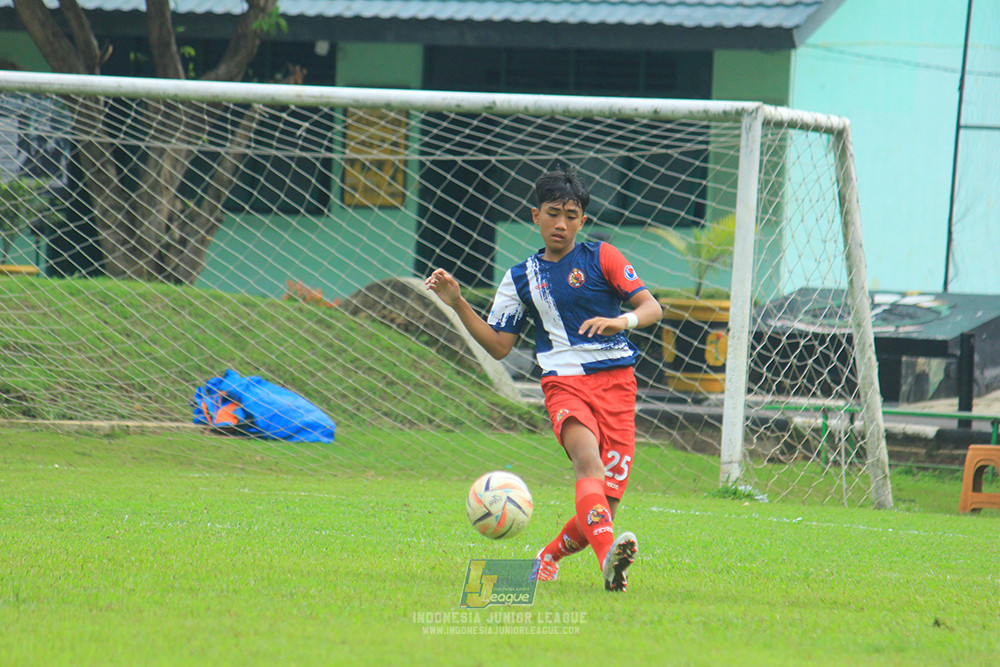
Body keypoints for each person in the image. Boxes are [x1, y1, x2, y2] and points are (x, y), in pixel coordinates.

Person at [425, 165, 662, 592]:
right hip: (565, 384)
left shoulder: (603, 257)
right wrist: (458, 304)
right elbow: (499, 346)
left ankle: (548, 556)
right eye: (553, 213)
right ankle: (609, 558)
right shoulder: (521, 278)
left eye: (572, 215)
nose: (562, 223)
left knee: (604, 505)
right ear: (535, 215)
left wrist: (620, 320)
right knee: (586, 460)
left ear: (583, 220)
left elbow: (651, 308)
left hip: (618, 385)